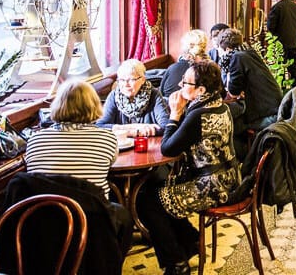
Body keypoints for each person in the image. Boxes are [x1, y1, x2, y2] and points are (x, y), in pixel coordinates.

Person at [136, 60, 240, 275]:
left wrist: (174, 114)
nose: (180, 86)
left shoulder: (198, 115)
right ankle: (190, 241)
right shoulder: (219, 106)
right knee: (157, 188)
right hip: (229, 178)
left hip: (211, 187)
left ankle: (177, 262)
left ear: (201, 90)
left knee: (147, 201)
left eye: (186, 83)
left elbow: (168, 149)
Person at [25, 79, 118, 196]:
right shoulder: (107, 138)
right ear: (94, 105)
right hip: (91, 212)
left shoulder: (35, 141)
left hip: (44, 211)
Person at [216, 27, 283, 155]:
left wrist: (229, 76)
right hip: (274, 108)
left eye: (219, 48)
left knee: (229, 126)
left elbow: (233, 91)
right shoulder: (248, 52)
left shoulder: (237, 58)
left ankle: (245, 161)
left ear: (227, 48)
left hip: (267, 115)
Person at [98, 59, 170, 135]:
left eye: (131, 80)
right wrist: (134, 129)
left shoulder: (154, 94)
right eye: (122, 80)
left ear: (142, 80)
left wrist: (119, 129)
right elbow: (100, 126)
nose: (126, 84)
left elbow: (166, 126)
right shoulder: (114, 95)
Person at [267, 0, 296, 86]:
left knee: (280, 66)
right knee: (292, 66)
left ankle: (282, 86)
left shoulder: (276, 8)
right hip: (294, 41)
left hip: (280, 42)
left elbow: (270, 26)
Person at [161, 29, 209, 96]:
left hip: (170, 104)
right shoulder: (210, 69)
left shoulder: (172, 68)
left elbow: (162, 92)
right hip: (197, 105)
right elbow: (221, 93)